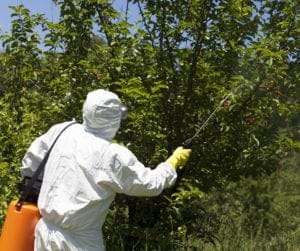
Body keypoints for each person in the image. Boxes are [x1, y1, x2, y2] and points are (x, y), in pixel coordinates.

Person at [20, 89, 191, 251]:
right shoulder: (112, 154)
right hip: (80, 243)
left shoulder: (64, 129)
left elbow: (31, 162)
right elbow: (149, 184)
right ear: (113, 121)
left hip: (44, 234)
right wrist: (172, 163)